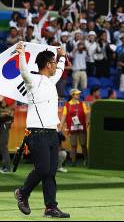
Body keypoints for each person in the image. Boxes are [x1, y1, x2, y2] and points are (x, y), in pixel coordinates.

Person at [14, 41, 70, 218]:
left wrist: (61, 56)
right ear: (47, 65)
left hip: (52, 133)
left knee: (50, 173)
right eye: (54, 62)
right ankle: (23, 193)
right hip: (37, 133)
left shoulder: (50, 81)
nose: (56, 66)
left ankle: (50, 207)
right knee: (44, 169)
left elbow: (60, 71)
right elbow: (23, 70)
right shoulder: (32, 80)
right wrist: (21, 53)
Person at [59, 89, 89, 167]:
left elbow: (87, 114)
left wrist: (88, 122)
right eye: (76, 94)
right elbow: (64, 116)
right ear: (72, 95)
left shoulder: (82, 104)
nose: (78, 95)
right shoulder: (67, 105)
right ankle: (73, 162)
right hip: (72, 128)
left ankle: (87, 160)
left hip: (82, 127)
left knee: (83, 144)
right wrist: (60, 127)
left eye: (78, 94)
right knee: (73, 145)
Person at [0, 96, 16, 173]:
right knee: (2, 145)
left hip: (5, 122)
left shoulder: (9, 95)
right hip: (3, 122)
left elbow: (4, 105)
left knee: (3, 144)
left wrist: (2, 99)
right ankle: (5, 166)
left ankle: (6, 167)